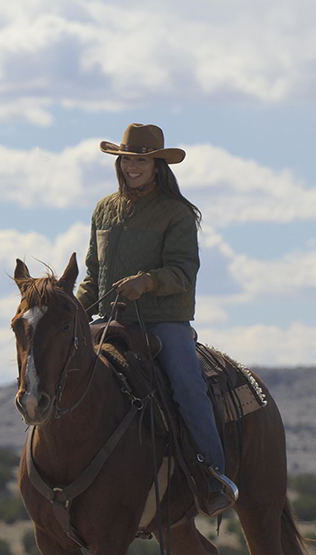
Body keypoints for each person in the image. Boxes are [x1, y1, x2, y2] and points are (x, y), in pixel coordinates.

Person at [74, 123, 239, 517]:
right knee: (64, 369)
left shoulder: (176, 213)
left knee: (187, 386)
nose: (132, 167)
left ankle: (215, 475)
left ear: (157, 165)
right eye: (127, 159)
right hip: (109, 315)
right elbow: (93, 274)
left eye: (141, 160)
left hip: (164, 322)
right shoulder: (103, 209)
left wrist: (147, 282)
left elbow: (183, 272)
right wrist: (74, 311)